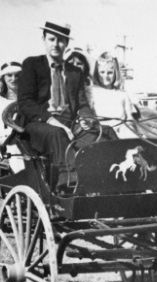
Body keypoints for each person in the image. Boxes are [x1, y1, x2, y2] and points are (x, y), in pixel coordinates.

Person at [18, 21, 117, 191]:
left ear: (67, 44)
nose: (56, 44)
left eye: (61, 40)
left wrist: (87, 119)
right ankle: (68, 182)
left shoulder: (74, 71)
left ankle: (116, 177)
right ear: (44, 40)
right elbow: (25, 102)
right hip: (39, 124)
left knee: (105, 131)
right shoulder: (31, 65)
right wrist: (52, 121)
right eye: (52, 39)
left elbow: (82, 103)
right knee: (58, 133)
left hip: (70, 123)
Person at [0, 61, 25, 199]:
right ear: (3, 78)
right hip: (7, 140)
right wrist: (10, 135)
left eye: (17, 75)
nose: (13, 79)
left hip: (28, 136)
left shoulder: (28, 99)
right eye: (9, 75)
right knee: (14, 148)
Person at [91, 51, 138, 139]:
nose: (106, 76)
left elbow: (129, 118)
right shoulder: (92, 91)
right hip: (102, 135)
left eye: (110, 72)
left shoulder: (122, 94)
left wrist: (128, 126)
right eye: (102, 72)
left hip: (122, 133)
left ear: (115, 73)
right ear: (97, 73)